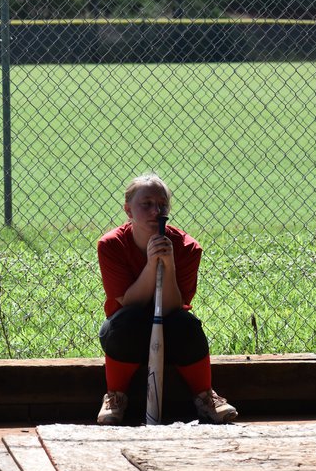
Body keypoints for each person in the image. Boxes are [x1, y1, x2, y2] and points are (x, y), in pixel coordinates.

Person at [96, 173, 237, 425]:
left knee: (187, 324)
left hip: (170, 330)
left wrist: (168, 265)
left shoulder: (187, 247)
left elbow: (174, 306)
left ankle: (205, 397)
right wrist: (151, 265)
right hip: (129, 333)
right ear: (128, 210)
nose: (155, 211)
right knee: (126, 320)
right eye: (146, 204)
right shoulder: (111, 245)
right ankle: (115, 396)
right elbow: (128, 302)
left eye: (162, 205)